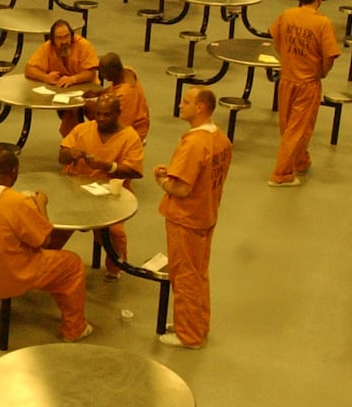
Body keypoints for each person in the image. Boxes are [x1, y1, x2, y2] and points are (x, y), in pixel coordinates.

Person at [0, 149, 93, 342]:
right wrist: (40, 204)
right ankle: (74, 329)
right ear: (14, 171)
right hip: (12, 275)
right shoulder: (14, 202)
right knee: (72, 264)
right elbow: (44, 240)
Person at [152, 87, 233, 349]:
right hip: (206, 214)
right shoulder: (220, 138)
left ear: (200, 108)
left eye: (186, 102)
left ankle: (189, 335)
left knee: (184, 275)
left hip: (185, 218)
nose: (180, 105)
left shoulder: (194, 143)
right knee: (199, 273)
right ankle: (198, 322)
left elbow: (183, 188)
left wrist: (163, 180)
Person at [58, 93, 143, 276]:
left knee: (114, 233)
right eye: (98, 114)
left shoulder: (130, 137)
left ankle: (115, 267)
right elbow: (61, 156)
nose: (101, 119)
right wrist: (70, 154)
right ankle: (42, 262)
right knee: (53, 227)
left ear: (118, 113)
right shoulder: (83, 129)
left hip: (109, 197)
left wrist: (108, 167)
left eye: (107, 115)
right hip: (75, 191)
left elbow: (134, 171)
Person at [268, 0, 340, 186]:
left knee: (287, 126)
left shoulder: (286, 15)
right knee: (298, 130)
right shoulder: (322, 23)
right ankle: (282, 174)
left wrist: (289, 60)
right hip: (307, 83)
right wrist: (322, 73)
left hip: (286, 80)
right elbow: (329, 56)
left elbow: (276, 41)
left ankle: (300, 161)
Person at [26, 18, 100, 135]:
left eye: (66, 36)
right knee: (70, 114)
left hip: (88, 90)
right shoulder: (47, 48)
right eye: (59, 38)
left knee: (101, 117)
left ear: (72, 36)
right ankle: (74, 144)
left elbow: (91, 73)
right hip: (62, 92)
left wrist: (73, 79)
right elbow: (29, 69)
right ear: (53, 40)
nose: (64, 41)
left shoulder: (83, 45)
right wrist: (46, 77)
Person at [92, 52, 151, 142]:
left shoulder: (126, 94)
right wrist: (99, 93)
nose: (102, 76)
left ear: (111, 73)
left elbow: (120, 124)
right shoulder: (127, 71)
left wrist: (92, 109)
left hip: (134, 129)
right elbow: (114, 88)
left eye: (103, 73)